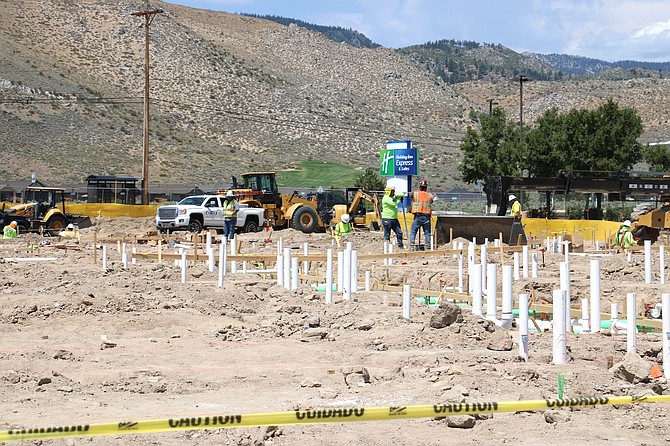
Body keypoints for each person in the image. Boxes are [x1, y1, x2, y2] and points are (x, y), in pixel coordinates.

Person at [409, 180, 435, 250]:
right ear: (426, 187)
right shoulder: (430, 195)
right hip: (426, 217)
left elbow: (410, 195)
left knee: (413, 231)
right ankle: (428, 246)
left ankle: (411, 246)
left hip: (418, 216)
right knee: (427, 232)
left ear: (420, 187)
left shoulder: (415, 194)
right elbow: (432, 200)